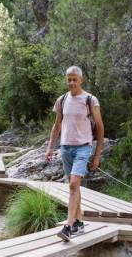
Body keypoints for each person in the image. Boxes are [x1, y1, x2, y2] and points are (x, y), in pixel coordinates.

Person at [45, 66, 105, 242]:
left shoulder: (90, 100)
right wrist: (49, 148)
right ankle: (79, 221)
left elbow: (100, 128)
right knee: (74, 186)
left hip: (83, 147)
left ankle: (68, 227)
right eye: (68, 79)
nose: (71, 82)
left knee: (73, 184)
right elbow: (56, 126)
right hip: (65, 148)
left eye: (74, 79)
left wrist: (97, 155)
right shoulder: (62, 100)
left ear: (81, 80)